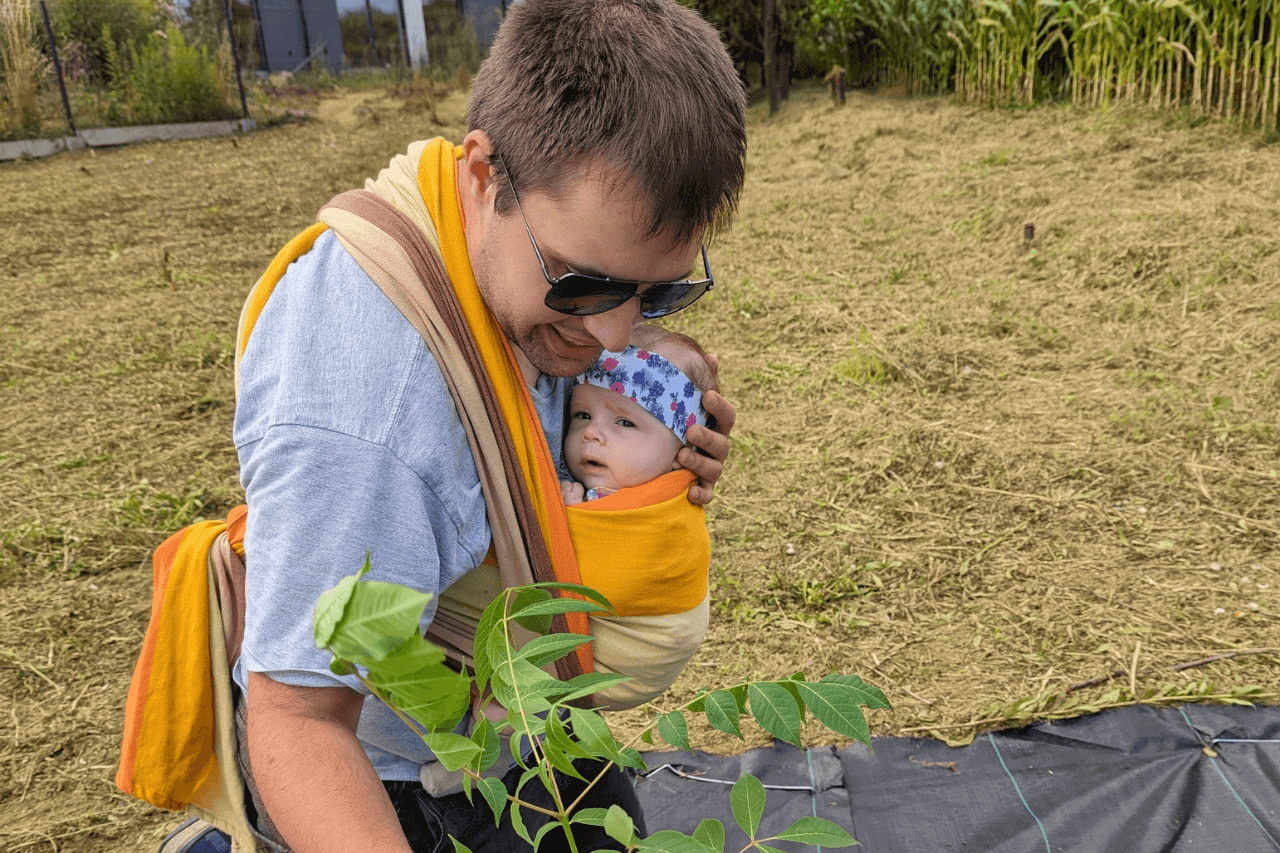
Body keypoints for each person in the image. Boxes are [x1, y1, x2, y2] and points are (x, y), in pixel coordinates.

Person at [230, 1, 747, 852]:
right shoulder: (374, 417)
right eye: (585, 285)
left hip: (528, 720)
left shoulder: (489, 241)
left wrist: (647, 466)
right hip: (405, 780)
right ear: (483, 175)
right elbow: (298, 720)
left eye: (660, 291)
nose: (615, 337)